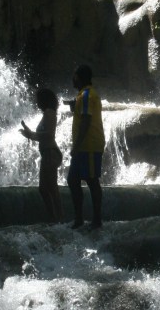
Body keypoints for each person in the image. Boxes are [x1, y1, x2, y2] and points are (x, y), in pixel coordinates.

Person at [65, 64, 105, 229]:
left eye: (74, 76)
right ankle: (79, 219)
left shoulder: (88, 95)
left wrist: (77, 145)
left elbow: (87, 121)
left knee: (91, 181)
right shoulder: (84, 95)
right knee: (73, 180)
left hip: (88, 146)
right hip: (84, 147)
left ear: (80, 77)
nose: (72, 79)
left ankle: (96, 220)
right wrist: (75, 107)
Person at [21, 86, 63, 223]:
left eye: (38, 99)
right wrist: (30, 133)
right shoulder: (47, 113)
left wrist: (31, 134)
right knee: (44, 189)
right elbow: (43, 134)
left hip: (51, 153)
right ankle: (54, 218)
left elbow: (49, 135)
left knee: (51, 188)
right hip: (47, 153)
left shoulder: (49, 112)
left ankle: (59, 220)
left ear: (43, 100)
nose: (36, 102)